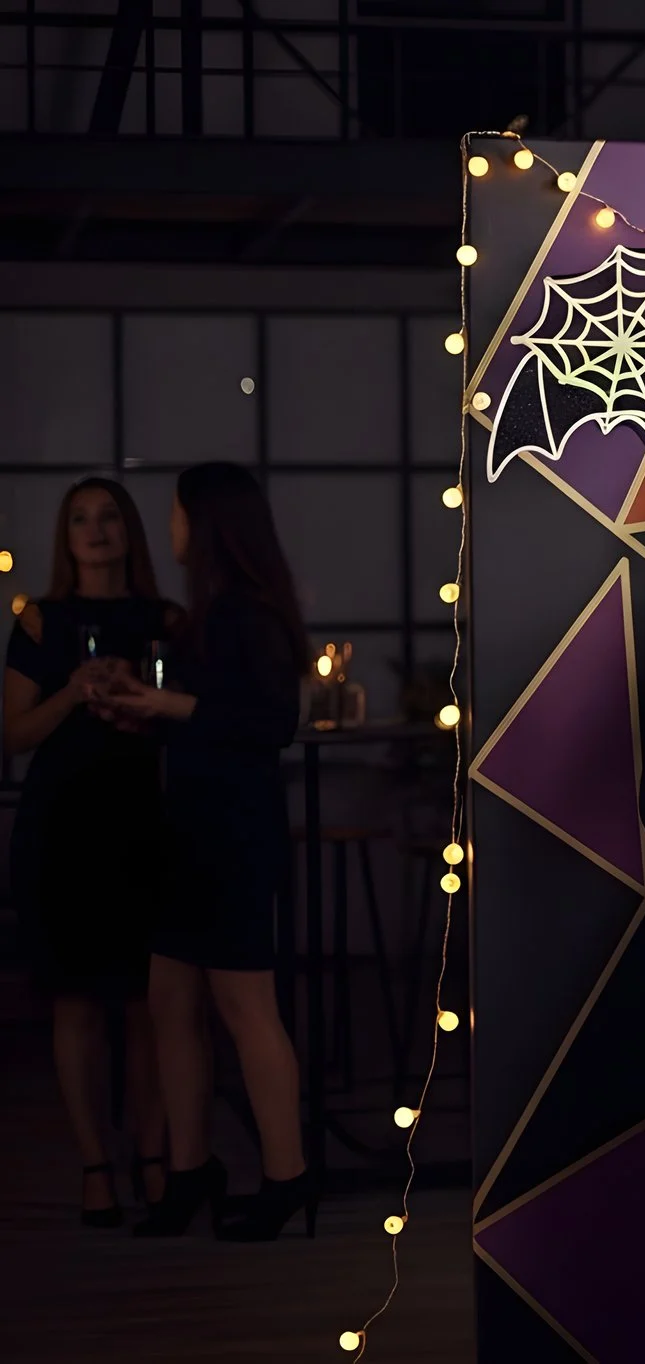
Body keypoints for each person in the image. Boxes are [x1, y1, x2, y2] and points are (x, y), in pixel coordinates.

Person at [92, 462, 310, 1240]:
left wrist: (167, 703)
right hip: (186, 828)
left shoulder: (252, 614)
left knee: (246, 1007)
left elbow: (268, 721)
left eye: (179, 515)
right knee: (170, 1000)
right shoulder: (204, 615)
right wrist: (141, 709)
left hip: (233, 831)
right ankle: (191, 1171)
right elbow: (199, 716)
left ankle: (286, 1177)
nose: (172, 529)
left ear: (207, 523)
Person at [4, 477, 179, 1227]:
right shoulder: (41, 621)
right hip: (64, 827)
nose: (96, 530)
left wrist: (141, 703)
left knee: (147, 1003)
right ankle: (95, 1166)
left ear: (129, 530)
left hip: (147, 822)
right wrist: (75, 692)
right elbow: (13, 736)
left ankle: (152, 1156)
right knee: (75, 1000)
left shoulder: (164, 618)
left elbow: (190, 722)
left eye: (109, 516)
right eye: (80, 519)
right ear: (64, 536)